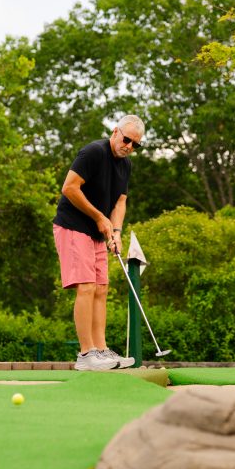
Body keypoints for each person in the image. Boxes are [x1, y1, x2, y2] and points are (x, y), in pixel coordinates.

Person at [52, 115, 145, 371]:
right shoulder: (93, 152)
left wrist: (116, 231)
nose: (129, 146)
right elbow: (69, 188)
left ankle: (101, 351)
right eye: (127, 139)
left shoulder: (125, 166)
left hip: (98, 231)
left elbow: (120, 202)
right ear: (115, 132)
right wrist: (99, 217)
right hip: (72, 226)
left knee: (102, 288)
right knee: (87, 286)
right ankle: (86, 355)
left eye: (136, 145)